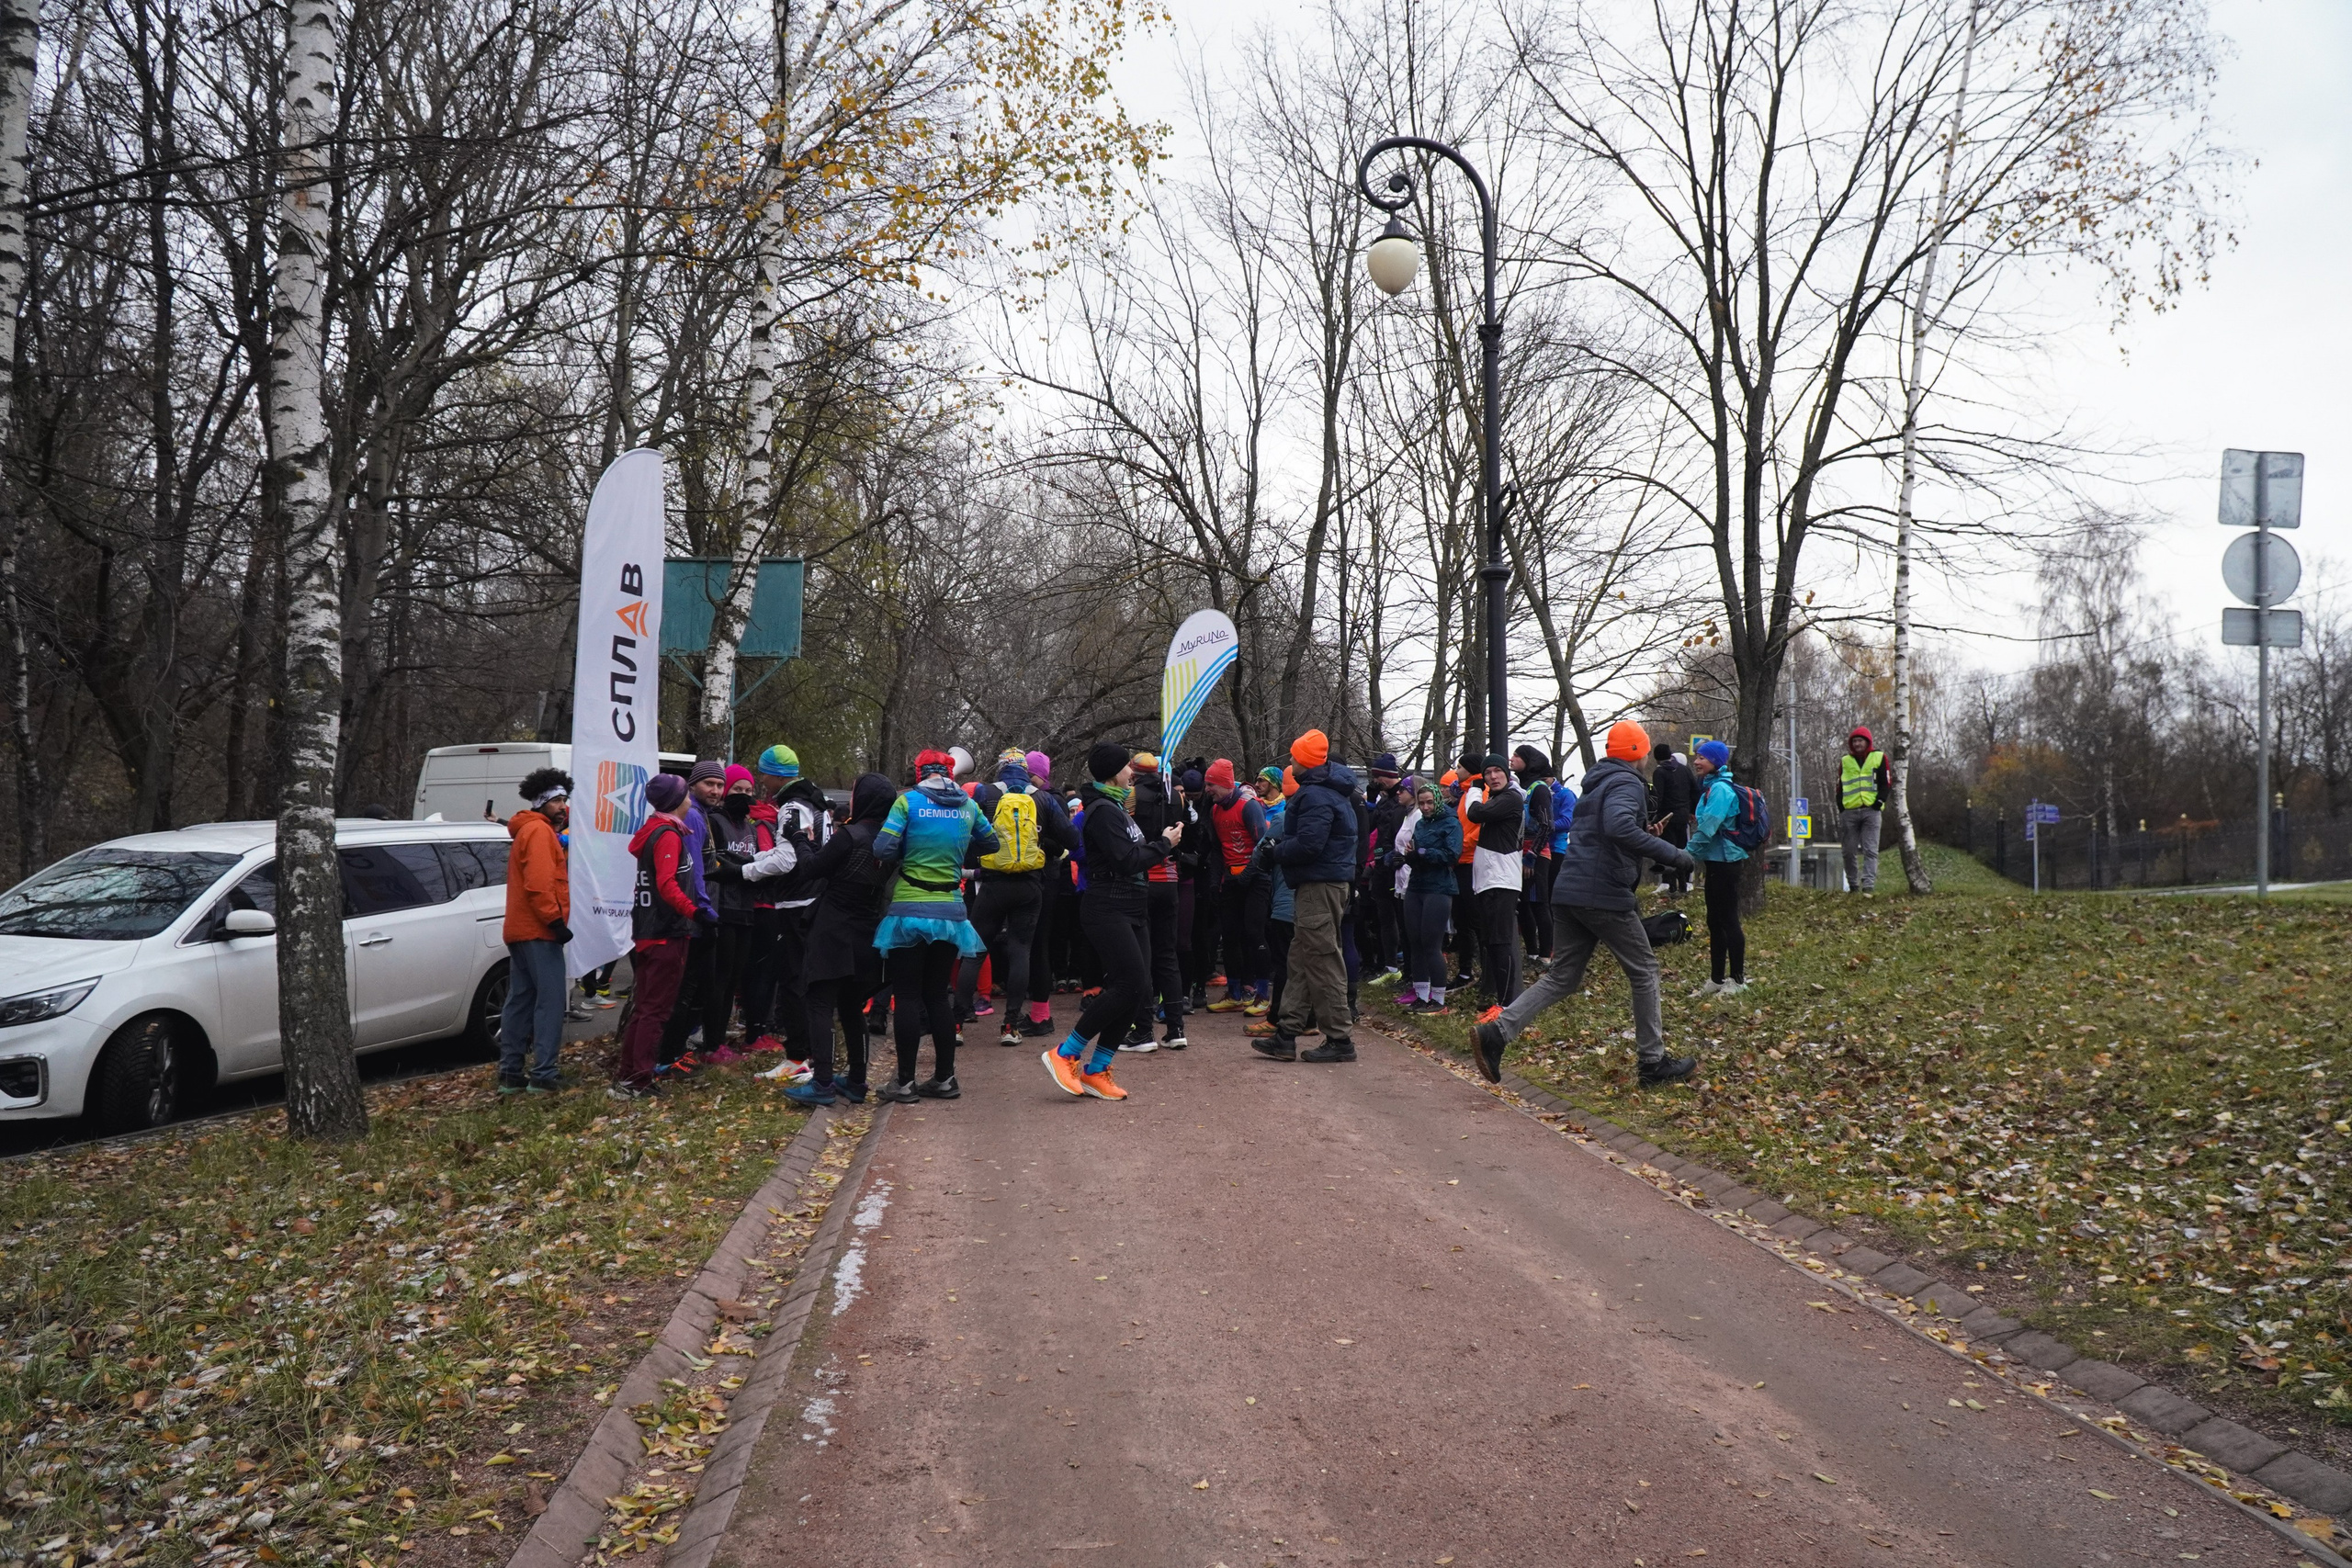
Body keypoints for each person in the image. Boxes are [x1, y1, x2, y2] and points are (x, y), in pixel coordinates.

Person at [1468, 719, 1700, 1090]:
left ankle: (1498, 1032)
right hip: (1602, 892)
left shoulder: (1595, 785)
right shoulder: (1626, 781)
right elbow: (1619, 827)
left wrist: (1644, 833)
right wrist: (1676, 855)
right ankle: (1652, 1062)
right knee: (1644, 970)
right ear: (1639, 753)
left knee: (1562, 976)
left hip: (1569, 890)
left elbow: (1608, 831)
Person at [1043, 744, 1182, 1101]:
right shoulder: (1103, 810)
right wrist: (1164, 845)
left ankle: (1097, 1069)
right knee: (1127, 985)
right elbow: (1125, 860)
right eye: (1126, 768)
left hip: (1134, 910)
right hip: (1107, 908)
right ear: (1112, 772)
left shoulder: (1118, 807)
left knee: (1137, 990)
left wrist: (1159, 841)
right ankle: (1066, 1053)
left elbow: (1129, 852)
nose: (1132, 773)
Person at [872, 750, 999, 1101]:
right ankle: (945, 1079)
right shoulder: (969, 806)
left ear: (919, 772)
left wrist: (911, 846)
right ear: (950, 774)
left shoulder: (907, 803)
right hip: (951, 911)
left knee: (908, 994)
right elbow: (991, 843)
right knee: (937, 994)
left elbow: (882, 849)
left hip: (910, 909)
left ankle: (905, 1082)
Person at [770, 773, 898, 1106]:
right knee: (853, 1007)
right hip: (867, 928)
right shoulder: (891, 840)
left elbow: (812, 868)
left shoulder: (850, 835)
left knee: (819, 1002)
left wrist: (797, 836)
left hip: (834, 928)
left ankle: (822, 1082)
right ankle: (857, 1080)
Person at [1251, 729, 1361, 1064]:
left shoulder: (1315, 796)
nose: (1290, 762)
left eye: (1293, 757)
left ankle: (1340, 1039)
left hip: (1319, 885)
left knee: (1323, 960)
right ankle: (1286, 1035)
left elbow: (1310, 845)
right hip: (1324, 884)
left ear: (1303, 762)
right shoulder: (1329, 791)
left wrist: (1276, 852)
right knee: (1300, 961)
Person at [958, 748, 1078, 1047]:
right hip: (1029, 885)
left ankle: (956, 1024)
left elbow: (963, 836)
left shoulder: (984, 794)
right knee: (1021, 951)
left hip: (993, 884)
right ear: (1025, 770)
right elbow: (1072, 840)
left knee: (974, 950)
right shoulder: (1042, 797)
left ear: (1000, 768)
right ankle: (1010, 1026)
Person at [613, 772, 700, 1098]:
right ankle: (638, 1080)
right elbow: (666, 884)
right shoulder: (667, 835)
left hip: (650, 931)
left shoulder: (658, 830)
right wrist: (695, 911)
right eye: (687, 795)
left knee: (645, 1008)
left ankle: (628, 1075)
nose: (691, 800)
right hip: (665, 933)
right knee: (656, 1011)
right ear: (676, 801)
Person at [749, 743, 829, 1057]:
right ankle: (812, 1052)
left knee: (793, 980)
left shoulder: (790, 807)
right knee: (806, 979)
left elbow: (787, 861)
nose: (762, 782)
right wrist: (756, 858)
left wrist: (745, 871)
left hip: (795, 901)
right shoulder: (816, 803)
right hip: (815, 899)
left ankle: (798, 1057)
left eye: (763, 775)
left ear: (773, 775)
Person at [499, 766, 571, 1095]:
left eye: (565, 799)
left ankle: (510, 1073)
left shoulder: (527, 830)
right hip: (539, 930)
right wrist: (555, 922)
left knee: (520, 1000)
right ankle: (544, 1073)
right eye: (556, 800)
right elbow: (540, 884)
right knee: (551, 1002)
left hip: (520, 929)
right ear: (542, 801)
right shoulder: (540, 833)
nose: (563, 806)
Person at [699, 765, 773, 1064]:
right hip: (722, 909)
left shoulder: (752, 828)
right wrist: (740, 868)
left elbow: (755, 864)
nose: (742, 795)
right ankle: (711, 1043)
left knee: (734, 979)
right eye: (737, 789)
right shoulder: (714, 821)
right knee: (719, 978)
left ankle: (718, 1040)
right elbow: (712, 864)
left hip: (746, 910)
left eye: (747, 790)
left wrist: (746, 868)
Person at [654, 761, 725, 1075]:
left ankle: (674, 1051)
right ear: (692, 785)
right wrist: (705, 912)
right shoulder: (692, 815)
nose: (716, 790)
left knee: (697, 988)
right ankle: (670, 1055)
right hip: (694, 916)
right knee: (687, 989)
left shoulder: (700, 814)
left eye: (719, 785)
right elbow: (694, 869)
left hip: (695, 912)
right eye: (709, 783)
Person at [1125, 753, 1188, 1050]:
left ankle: (1143, 1030)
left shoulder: (1132, 795)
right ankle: (1176, 1029)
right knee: (1168, 955)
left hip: (1143, 880)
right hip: (1171, 880)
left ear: (1135, 772)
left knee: (1143, 957)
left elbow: (1127, 835)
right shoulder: (1177, 798)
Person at [1203, 760, 1270, 1012]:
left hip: (1256, 879)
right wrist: (1215, 882)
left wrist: (1248, 874)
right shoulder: (1215, 810)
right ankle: (1234, 992)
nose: (1207, 789)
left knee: (1254, 933)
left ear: (1224, 784)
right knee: (1229, 936)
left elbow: (1263, 845)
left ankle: (1262, 995)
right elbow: (1218, 850)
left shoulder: (1248, 806)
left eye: (1211, 784)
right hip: (1230, 880)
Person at [1464, 753, 1525, 1014]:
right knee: (1493, 943)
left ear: (1507, 774)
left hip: (1503, 881)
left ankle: (1507, 1005)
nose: (1493, 777)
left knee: (1501, 944)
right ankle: (1501, 1002)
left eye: (1497, 771)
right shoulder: (1500, 798)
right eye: (1488, 774)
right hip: (1489, 881)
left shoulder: (1511, 798)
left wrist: (1475, 790)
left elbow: (1474, 813)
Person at [1687, 739, 1748, 995]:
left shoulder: (1721, 790)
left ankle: (1737, 980)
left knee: (1728, 920)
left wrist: (1683, 854)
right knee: (1714, 921)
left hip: (1727, 862)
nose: (1696, 761)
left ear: (1716, 762)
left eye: (1702, 757)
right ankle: (1717, 979)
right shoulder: (1709, 788)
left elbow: (1709, 827)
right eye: (1697, 757)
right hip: (1714, 862)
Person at [1395, 778, 1461, 1011]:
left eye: (1430, 803)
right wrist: (1407, 856)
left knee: (1431, 943)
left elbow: (1451, 854)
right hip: (1416, 885)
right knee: (1415, 942)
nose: (1425, 808)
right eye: (1422, 803)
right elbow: (1413, 852)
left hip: (1439, 887)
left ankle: (1439, 999)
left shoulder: (1451, 823)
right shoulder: (1421, 824)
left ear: (1438, 801)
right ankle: (1421, 995)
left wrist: (1424, 853)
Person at [1363, 755, 1407, 982]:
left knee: (1395, 917)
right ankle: (1389, 966)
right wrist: (1370, 802)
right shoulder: (1382, 800)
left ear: (1386, 776)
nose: (1375, 781)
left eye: (1377, 776)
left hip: (1395, 867)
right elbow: (1369, 826)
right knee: (1383, 917)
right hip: (1380, 866)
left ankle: (1399, 967)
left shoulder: (1402, 796)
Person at [1511, 746, 1555, 968]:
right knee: (1524, 904)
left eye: (1517, 756)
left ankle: (1546, 954)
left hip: (1536, 854)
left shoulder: (1539, 789)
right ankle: (1531, 953)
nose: (1512, 759)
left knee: (1539, 903)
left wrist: (1531, 857)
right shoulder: (1519, 787)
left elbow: (1547, 825)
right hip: (1518, 853)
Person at [1839, 726, 1890, 894]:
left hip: (1871, 811)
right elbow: (1839, 786)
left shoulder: (1879, 757)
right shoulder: (1845, 761)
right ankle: (1853, 885)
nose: (1857, 744)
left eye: (1860, 740)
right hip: (1850, 811)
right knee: (1848, 851)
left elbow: (1885, 782)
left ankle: (1868, 886)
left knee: (1870, 849)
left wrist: (1879, 801)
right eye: (1854, 741)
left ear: (1867, 742)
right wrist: (1841, 807)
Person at [1648, 742, 1698, 895]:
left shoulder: (1660, 773)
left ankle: (1671, 886)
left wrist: (1652, 817)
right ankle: (1684, 885)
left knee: (1668, 852)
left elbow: (1658, 796)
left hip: (1666, 819)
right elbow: (1695, 790)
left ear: (1657, 758)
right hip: (1683, 818)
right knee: (1681, 851)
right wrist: (1692, 811)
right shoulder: (1684, 769)